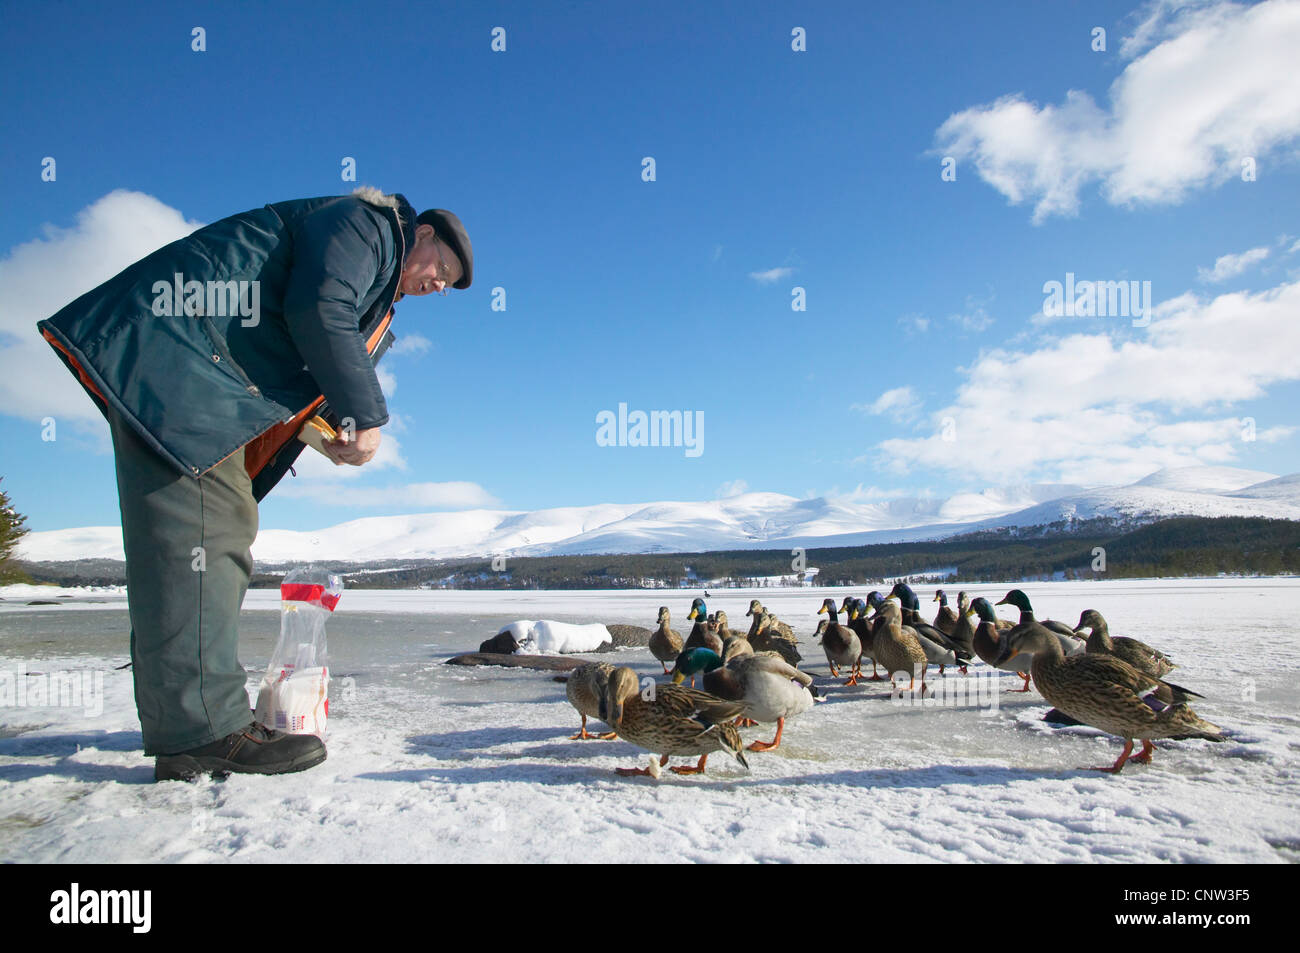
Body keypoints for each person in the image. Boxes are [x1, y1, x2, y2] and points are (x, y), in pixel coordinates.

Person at [36, 187, 472, 781]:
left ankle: (186, 723)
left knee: (192, 545)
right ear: (420, 235)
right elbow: (320, 308)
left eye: (447, 284)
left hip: (184, 371)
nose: (438, 284)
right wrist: (367, 417)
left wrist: (322, 430)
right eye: (442, 268)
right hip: (184, 369)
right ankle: (203, 732)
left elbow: (300, 341)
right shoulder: (367, 226)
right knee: (209, 537)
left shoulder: (373, 268)